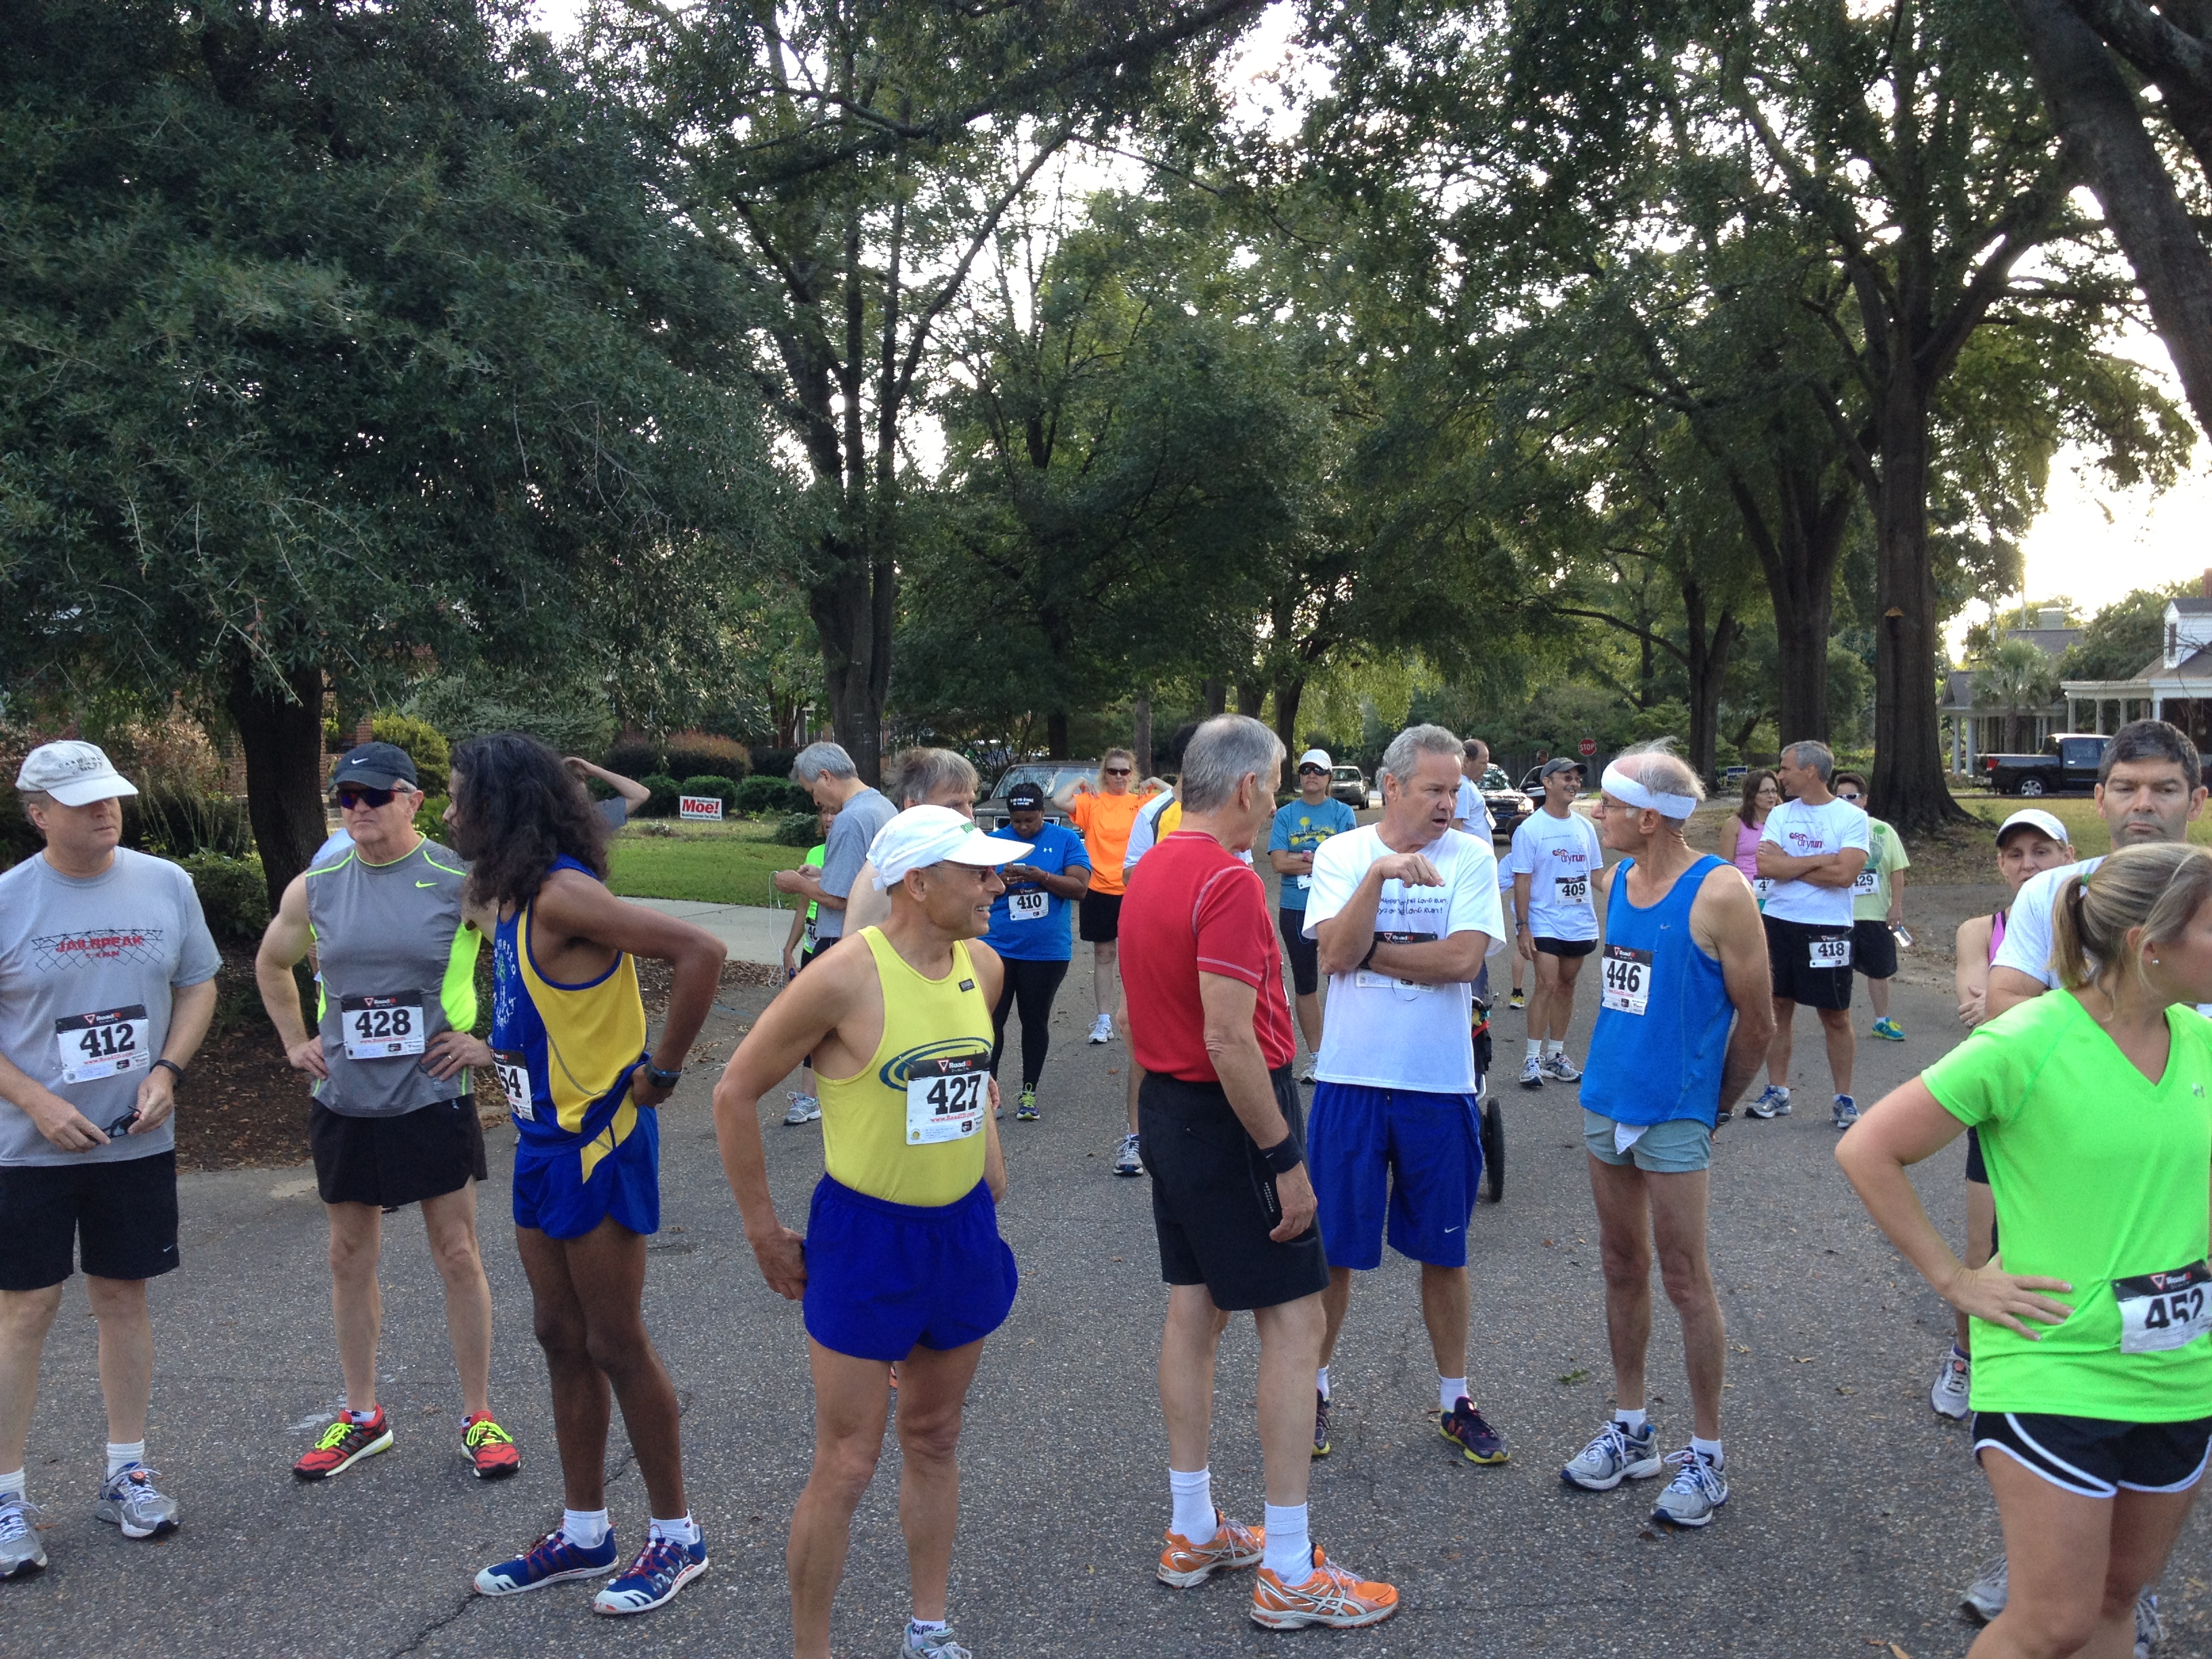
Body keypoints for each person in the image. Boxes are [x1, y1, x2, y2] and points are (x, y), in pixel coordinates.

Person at [1837, 840, 2212, 1659]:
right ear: (2150, 943)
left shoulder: (2201, 1042)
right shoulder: (2029, 1040)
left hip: (2180, 1371)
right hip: (2055, 1364)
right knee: (2053, 1622)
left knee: (2116, 1601)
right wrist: (1955, 1279)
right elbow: (1869, 1148)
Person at [710, 805, 1023, 1659]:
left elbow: (970, 1071)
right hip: (867, 1239)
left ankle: (929, 1628)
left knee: (935, 1436)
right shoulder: (843, 977)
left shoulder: (985, 967)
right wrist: (763, 1232)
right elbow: (734, 1092)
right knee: (847, 1463)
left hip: (959, 1233)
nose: (997, 885)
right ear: (917, 883)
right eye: (979, 872)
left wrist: (989, 1161)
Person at [1122, 716, 1398, 1631]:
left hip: (1172, 1109)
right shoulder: (1229, 880)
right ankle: (1287, 1568)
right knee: (1295, 1321)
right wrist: (1285, 1159)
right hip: (1233, 1117)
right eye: (1275, 784)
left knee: (1194, 1308)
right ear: (1246, 787)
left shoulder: (1151, 866)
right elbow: (1229, 1037)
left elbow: (1153, 1016)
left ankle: (1193, 1528)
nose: (1277, 801)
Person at [454, 735, 728, 1617]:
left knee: (614, 1341)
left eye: (459, 798)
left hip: (598, 1140)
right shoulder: (510, 896)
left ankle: (678, 1537)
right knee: (557, 1334)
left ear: (499, 806)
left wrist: (664, 1072)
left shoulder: (565, 895)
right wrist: (493, 1049)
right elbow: (541, 1009)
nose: (448, 813)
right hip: (541, 1142)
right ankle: (584, 1534)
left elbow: (702, 951)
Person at [253, 742, 517, 1482]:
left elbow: (525, 962)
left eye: (374, 794)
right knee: (348, 1255)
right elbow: (272, 962)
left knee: (457, 1252)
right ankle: (363, 1417)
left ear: (413, 801)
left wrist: (490, 1044)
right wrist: (295, 1042)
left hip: (432, 1092)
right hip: (345, 1098)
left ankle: (478, 1414)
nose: (359, 808)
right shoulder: (318, 883)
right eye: (346, 796)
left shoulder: (457, 880)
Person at [0, 742, 218, 1576]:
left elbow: (198, 983)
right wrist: (35, 1101)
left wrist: (168, 1070)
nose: (105, 809)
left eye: (112, 796)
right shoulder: (9, 900)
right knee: (25, 1310)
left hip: (133, 1139)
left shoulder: (166, 883)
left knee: (124, 1298)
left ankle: (127, 1471)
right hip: (28, 1148)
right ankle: (6, 1496)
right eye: (84, 800)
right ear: (38, 814)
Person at [1558, 742, 1773, 1529]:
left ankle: (1706, 1455)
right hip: (1606, 1098)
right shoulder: (1618, 880)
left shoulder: (1720, 892)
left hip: (1678, 1111)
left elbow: (1759, 1021)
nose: (1597, 813)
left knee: (1685, 1279)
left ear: (1649, 818)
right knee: (1622, 1265)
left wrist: (1714, 1107)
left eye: (1610, 805)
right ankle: (1631, 1430)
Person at [1305, 725, 1506, 1471]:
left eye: (1455, 790)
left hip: (1438, 1083)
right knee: (1334, 1253)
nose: (1447, 804)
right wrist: (1379, 878)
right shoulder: (1342, 854)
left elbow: (1461, 960)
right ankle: (1314, 1390)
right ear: (1391, 788)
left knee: (1444, 1253)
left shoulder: (1472, 857)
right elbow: (1330, 953)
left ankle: (1457, 1399)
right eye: (1433, 790)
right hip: (1351, 1080)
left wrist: (1366, 954)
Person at [1931, 808, 2075, 1425]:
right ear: (2000, 864)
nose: (2028, 864)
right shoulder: (1979, 929)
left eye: (2042, 851)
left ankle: (2063, 1355)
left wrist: (2016, 1000)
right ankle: (1965, 1354)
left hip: (2076, 1101)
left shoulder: (2093, 920)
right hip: (2004, 1102)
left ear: (2069, 858)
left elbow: (2002, 1006)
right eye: (2015, 854)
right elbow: (1981, 1006)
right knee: (1983, 1242)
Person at [1988, 720, 2209, 1022]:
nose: (2143, 804)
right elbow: (2001, 1007)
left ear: (2196, 803)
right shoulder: (2047, 892)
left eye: (2165, 790)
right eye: (2126, 789)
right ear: (2100, 800)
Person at [1746, 740, 1869, 1128]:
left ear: (1811, 771)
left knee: (1835, 1014)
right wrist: (1819, 860)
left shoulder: (1851, 818)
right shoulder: (1781, 815)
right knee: (1778, 1007)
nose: (1780, 776)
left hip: (1829, 927)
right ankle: (1778, 1090)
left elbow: (1845, 875)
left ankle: (1844, 1098)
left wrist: (1791, 865)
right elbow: (1766, 866)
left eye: (1786, 769)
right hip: (1780, 922)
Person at [1114, 723, 1202, 1177]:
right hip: (1158, 942)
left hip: (1209, 942)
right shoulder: (1155, 811)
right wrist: (1181, 874)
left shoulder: (1228, 808)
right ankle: (1136, 1136)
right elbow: (1130, 875)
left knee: (1216, 1035)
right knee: (1140, 1035)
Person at [981, 783, 1091, 1120]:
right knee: (992, 1021)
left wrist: (1042, 876)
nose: (1023, 827)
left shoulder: (1066, 840)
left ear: (1044, 813)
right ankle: (989, 1094)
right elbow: (974, 889)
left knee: (1035, 1019)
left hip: (1046, 951)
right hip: (998, 946)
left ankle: (1028, 1093)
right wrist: (1001, 882)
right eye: (1016, 821)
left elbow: (1080, 888)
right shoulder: (994, 842)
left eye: (1030, 820)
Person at [1509, 758, 1607, 1088]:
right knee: (1546, 984)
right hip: (1544, 920)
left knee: (1567, 985)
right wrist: (1523, 926)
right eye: (1566, 777)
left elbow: (1595, 873)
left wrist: (1627, 889)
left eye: (1577, 778)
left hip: (1579, 921)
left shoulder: (1584, 828)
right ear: (1547, 783)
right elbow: (1522, 879)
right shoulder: (1531, 829)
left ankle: (1556, 1055)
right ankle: (1532, 1059)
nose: (1574, 783)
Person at [1267, 750, 1358, 1080]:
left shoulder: (1342, 813)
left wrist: (1301, 857)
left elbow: (1348, 863)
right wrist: (1320, 858)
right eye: (1306, 770)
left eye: (1319, 770)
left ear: (1329, 776)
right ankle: (1319, 1057)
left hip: (1336, 907)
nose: (1311, 776)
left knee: (1342, 979)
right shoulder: (1286, 815)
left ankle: (1342, 1054)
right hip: (1296, 907)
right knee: (1305, 984)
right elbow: (1278, 862)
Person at [1061, 747, 1158, 1046]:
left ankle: (1136, 1016)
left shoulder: (1143, 801)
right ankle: (1104, 1019)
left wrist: (1156, 781)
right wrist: (1080, 781)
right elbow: (1058, 801)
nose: (1118, 776)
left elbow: (1180, 801)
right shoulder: (1093, 802)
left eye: (1124, 771)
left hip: (1135, 888)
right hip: (1099, 888)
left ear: (1132, 774)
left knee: (1135, 956)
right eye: (1112, 771)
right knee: (1104, 955)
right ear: (1104, 773)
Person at [773, 741, 899, 964]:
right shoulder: (884, 806)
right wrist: (824, 875)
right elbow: (866, 879)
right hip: (879, 936)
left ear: (825, 777)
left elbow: (839, 899)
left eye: (812, 791)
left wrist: (797, 884)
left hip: (842, 940)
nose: (815, 801)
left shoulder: (849, 819)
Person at [840, 748, 981, 937]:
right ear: (913, 806)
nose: (969, 818)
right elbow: (860, 950)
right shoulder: (890, 868)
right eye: (955, 805)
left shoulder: (934, 856)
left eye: (970, 803)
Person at [1832, 770, 1910, 1042]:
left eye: (1852, 797)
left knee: (1879, 971)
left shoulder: (1883, 831)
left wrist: (1896, 906)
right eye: (1840, 798)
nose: (1846, 802)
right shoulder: (1831, 832)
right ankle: (1838, 1023)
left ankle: (1881, 1021)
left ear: (1865, 799)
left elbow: (1897, 871)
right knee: (1838, 972)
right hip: (1839, 915)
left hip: (1875, 914)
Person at [779, 804, 838, 1124]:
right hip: (812, 944)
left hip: (837, 942)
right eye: (824, 813)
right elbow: (805, 905)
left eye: (835, 813)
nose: (828, 819)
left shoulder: (853, 853)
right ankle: (808, 1097)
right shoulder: (815, 853)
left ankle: (834, 1092)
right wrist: (790, 947)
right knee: (809, 1020)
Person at [1722, 769, 1780, 908]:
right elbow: (1726, 866)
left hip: (1777, 892)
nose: (1771, 796)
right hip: (1745, 893)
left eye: (1774, 791)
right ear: (1752, 794)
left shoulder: (1783, 822)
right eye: (1765, 791)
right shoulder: (1734, 824)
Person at [567, 756, 652, 830]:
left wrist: (594, 770)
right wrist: (594, 770)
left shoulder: (595, 816)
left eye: (579, 779)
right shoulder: (594, 819)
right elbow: (641, 794)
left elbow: (641, 794)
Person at [1452, 738, 1494, 840]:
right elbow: (1455, 827)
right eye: (1483, 763)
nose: (1486, 768)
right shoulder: (1462, 787)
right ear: (1466, 761)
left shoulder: (1467, 784)